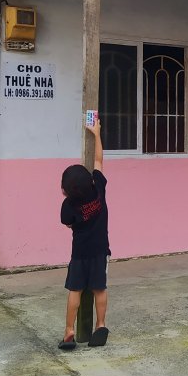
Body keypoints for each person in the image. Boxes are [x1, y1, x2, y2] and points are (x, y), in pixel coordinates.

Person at [58, 117, 110, 350]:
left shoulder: (68, 206)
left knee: (75, 291)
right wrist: (96, 133)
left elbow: (68, 224)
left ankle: (69, 330)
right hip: (100, 251)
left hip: (79, 255)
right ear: (89, 181)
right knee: (100, 289)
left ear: (66, 191)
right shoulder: (99, 189)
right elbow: (98, 160)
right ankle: (100, 325)